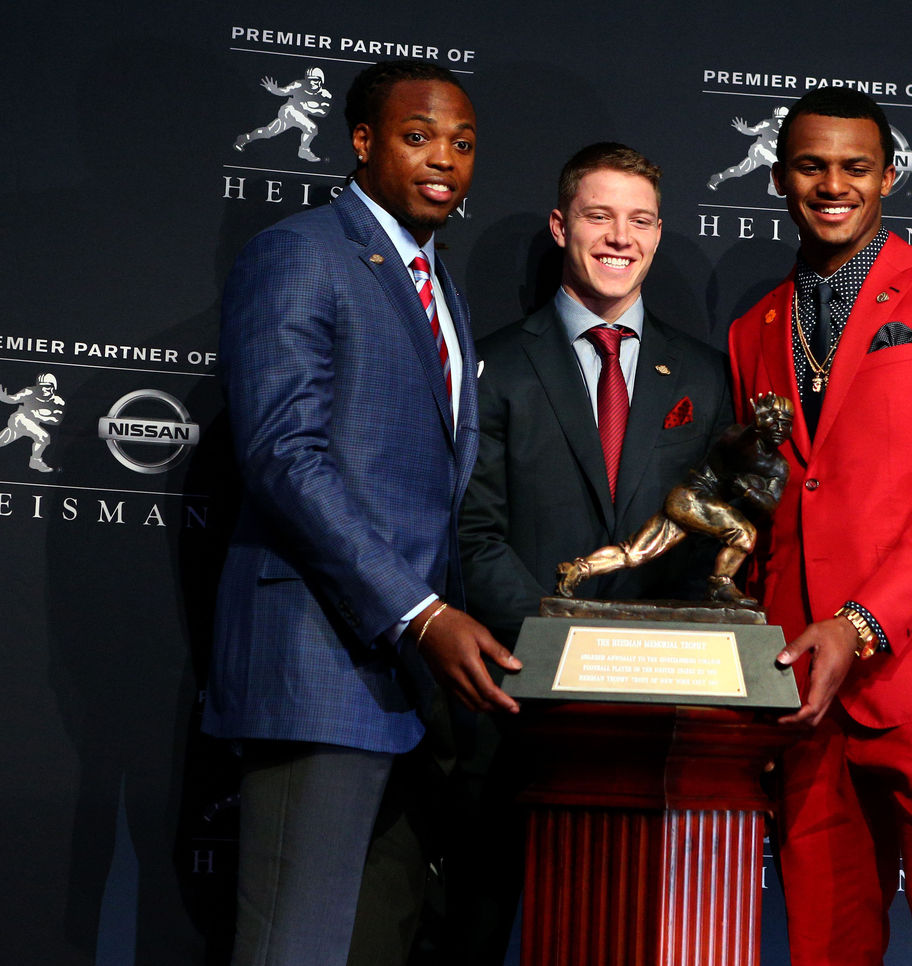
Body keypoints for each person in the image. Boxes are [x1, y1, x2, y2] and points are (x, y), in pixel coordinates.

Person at [203, 60, 520, 966]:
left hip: (407, 685)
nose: (445, 161)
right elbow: (282, 455)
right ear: (363, 141)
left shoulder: (436, 278)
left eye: (462, 144)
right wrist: (420, 614)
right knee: (294, 947)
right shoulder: (301, 252)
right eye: (419, 136)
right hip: (320, 662)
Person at [727, 88, 912, 966]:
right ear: (780, 176)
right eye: (811, 165)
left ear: (887, 175)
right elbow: (773, 501)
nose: (832, 184)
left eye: (854, 167)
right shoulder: (754, 329)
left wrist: (859, 625)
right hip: (804, 687)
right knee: (823, 939)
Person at [452, 141, 733, 963]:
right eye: (599, 215)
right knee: (470, 934)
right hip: (512, 704)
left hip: (656, 725)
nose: (621, 236)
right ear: (559, 226)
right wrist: (561, 651)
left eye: (640, 219)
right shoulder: (494, 364)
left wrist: (642, 663)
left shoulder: (708, 379)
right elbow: (472, 534)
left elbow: (714, 542)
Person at [555, 391, 793, 603]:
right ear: (764, 421)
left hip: (693, 505)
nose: (782, 430)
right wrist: (755, 428)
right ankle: (719, 585)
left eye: (787, 425)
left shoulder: (778, 467)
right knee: (745, 534)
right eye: (777, 422)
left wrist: (748, 491)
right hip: (690, 497)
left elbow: (770, 504)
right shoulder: (740, 437)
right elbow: (739, 445)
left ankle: (578, 569)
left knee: (635, 553)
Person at [233, 67, 332, 162]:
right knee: (311, 127)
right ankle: (304, 151)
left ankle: (245, 138)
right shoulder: (299, 85)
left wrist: (307, 107)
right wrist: (274, 90)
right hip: (289, 111)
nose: (311, 83)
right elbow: (284, 91)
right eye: (309, 80)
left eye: (314, 80)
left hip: (300, 115)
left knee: (268, 132)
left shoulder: (325, 95)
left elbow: (323, 112)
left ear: (321, 80)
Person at [0, 371, 64, 472]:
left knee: (4, 439)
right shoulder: (29, 392)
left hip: (32, 423)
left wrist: (39, 415)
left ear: (53, 387)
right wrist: (4, 397)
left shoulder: (58, 402)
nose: (43, 389)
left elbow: (57, 420)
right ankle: (35, 461)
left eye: (47, 386)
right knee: (43, 437)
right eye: (41, 386)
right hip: (20, 419)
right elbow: (13, 398)